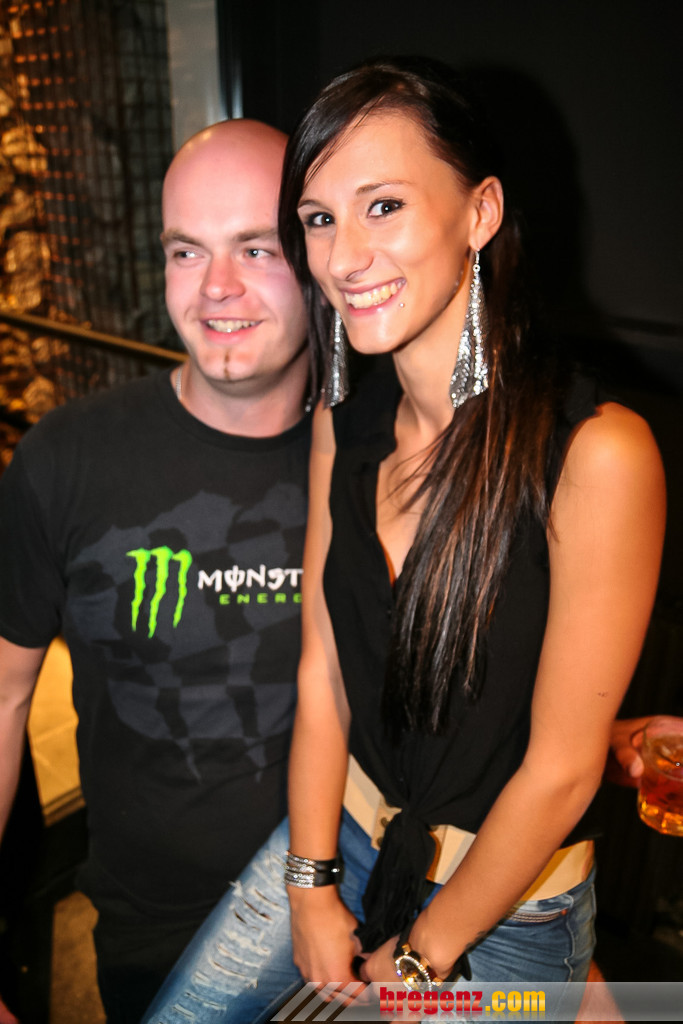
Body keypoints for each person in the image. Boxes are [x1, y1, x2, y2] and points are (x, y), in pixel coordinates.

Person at [140, 56, 666, 1024]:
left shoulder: (597, 452)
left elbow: (559, 770)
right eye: (317, 218)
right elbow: (322, 671)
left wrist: (420, 961)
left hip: (505, 903)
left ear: (479, 212)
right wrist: (309, 883)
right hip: (343, 833)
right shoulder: (344, 420)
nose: (343, 257)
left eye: (381, 206)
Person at [0, 119, 311, 1024]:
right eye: (186, 250)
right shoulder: (66, 458)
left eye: (256, 247)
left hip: (357, 917)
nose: (216, 286)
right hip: (159, 939)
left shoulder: (383, 457)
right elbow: (3, 697)